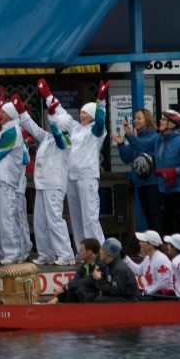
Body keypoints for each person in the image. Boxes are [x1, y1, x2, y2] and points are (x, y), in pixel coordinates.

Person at [39, 77, 108, 251]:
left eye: (85, 112)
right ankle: (82, 251)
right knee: (76, 217)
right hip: (71, 177)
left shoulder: (97, 132)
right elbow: (61, 112)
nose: (81, 114)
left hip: (87, 177)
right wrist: (48, 95)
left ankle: (99, 251)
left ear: (92, 114)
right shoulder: (76, 128)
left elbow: (100, 122)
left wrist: (101, 101)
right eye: (82, 112)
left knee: (90, 217)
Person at [117, 109, 180, 235]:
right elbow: (141, 147)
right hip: (166, 186)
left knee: (169, 219)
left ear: (172, 124)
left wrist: (174, 172)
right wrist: (127, 138)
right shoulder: (160, 139)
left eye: (164, 119)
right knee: (173, 220)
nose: (160, 120)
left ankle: (173, 248)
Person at [19, 97, 73, 266]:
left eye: (55, 123)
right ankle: (46, 254)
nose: (51, 127)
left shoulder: (65, 140)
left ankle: (66, 254)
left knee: (55, 220)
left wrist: (52, 118)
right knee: (40, 221)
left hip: (54, 185)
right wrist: (21, 111)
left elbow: (58, 135)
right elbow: (33, 129)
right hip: (42, 184)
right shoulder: (47, 138)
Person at [0, 101, 28, 265]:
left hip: (7, 179)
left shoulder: (12, 131)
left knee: (6, 217)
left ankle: (12, 252)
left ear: (9, 114)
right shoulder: (7, 130)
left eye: (2, 112)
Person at [114, 108, 160, 232]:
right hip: (139, 183)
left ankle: (159, 245)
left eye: (139, 118)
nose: (135, 121)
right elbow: (127, 157)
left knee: (154, 216)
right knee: (147, 215)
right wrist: (121, 144)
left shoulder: (154, 136)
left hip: (152, 182)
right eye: (134, 118)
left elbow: (142, 146)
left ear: (147, 120)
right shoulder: (135, 137)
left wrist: (130, 136)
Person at [47, 238, 100, 304]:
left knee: (81, 291)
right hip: (87, 291)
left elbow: (87, 281)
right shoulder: (85, 265)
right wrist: (57, 298)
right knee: (70, 295)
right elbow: (75, 281)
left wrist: (65, 288)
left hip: (99, 293)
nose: (79, 252)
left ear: (89, 252)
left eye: (81, 250)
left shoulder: (100, 264)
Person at [86, 238, 140, 302]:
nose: (99, 251)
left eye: (102, 249)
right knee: (87, 294)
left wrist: (99, 280)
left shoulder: (118, 269)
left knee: (99, 300)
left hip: (130, 302)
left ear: (107, 253)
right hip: (121, 297)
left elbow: (115, 292)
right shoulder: (108, 264)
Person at [126, 230, 174, 296]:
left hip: (164, 297)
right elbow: (138, 271)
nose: (139, 243)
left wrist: (146, 292)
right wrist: (124, 258)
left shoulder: (161, 259)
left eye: (142, 242)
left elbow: (163, 284)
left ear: (151, 244)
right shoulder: (148, 258)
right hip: (153, 294)